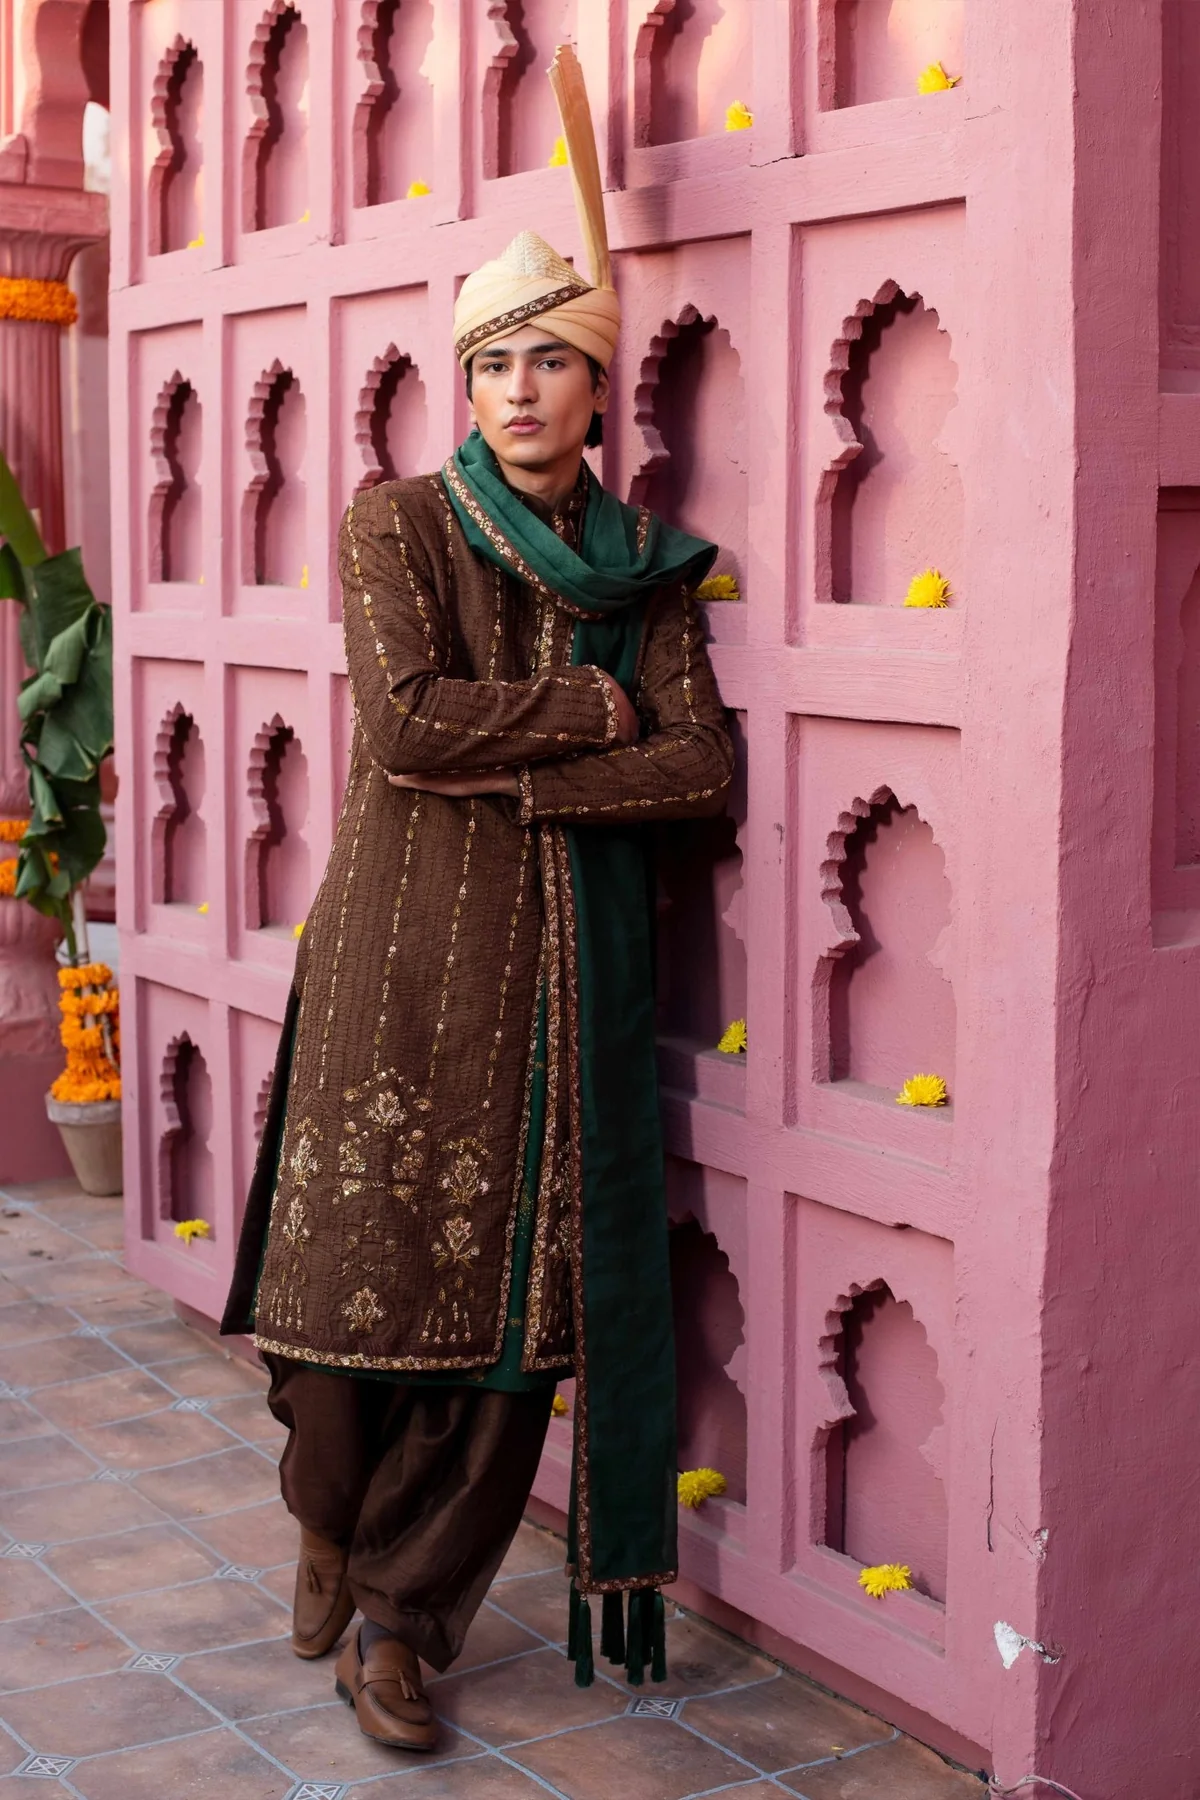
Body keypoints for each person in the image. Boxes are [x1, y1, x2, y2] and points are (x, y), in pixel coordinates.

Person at [221, 48, 733, 1755]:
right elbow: (406, 725)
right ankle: (326, 1511)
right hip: (393, 958)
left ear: (597, 389)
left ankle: (402, 1622)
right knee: (342, 1304)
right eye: (496, 362)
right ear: (467, 384)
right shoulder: (395, 528)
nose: (522, 389)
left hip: (554, 1000)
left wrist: (532, 773)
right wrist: (591, 709)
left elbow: (702, 768)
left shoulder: (646, 569)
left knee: (511, 1340)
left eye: (552, 361)